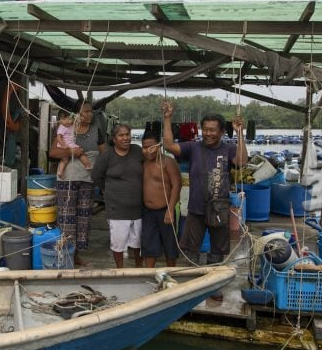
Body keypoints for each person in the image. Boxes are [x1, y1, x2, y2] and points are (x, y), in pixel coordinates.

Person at [161, 100, 247, 265]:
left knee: (217, 253)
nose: (208, 133)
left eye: (212, 130)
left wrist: (240, 134)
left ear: (222, 131)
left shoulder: (228, 149)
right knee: (190, 252)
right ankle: (191, 282)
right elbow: (169, 145)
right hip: (196, 208)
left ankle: (213, 286)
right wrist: (167, 119)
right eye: (205, 129)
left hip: (219, 209)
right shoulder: (193, 147)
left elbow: (242, 162)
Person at [49, 100, 105, 267]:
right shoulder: (66, 129)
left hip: (87, 180)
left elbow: (106, 154)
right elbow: (52, 152)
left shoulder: (96, 130)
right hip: (67, 180)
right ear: (76, 113)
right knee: (67, 219)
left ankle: (76, 256)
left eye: (91, 112)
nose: (90, 114)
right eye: (86, 111)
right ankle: (66, 256)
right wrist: (70, 151)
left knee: (83, 219)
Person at [92, 124, 144, 268]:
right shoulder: (107, 156)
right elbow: (96, 176)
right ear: (114, 139)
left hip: (138, 207)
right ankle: (120, 269)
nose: (125, 138)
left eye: (127, 134)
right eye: (121, 135)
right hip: (116, 209)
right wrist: (107, 189)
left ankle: (138, 269)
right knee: (118, 243)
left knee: (138, 242)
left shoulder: (137, 151)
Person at [140, 133, 182, 268]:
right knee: (148, 244)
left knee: (170, 245)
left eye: (152, 146)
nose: (148, 150)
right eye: (145, 147)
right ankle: (149, 273)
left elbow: (177, 185)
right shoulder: (143, 163)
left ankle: (171, 272)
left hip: (166, 209)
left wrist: (170, 209)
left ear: (159, 146)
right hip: (148, 211)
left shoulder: (168, 162)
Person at [54, 110, 93, 177]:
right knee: (68, 158)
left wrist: (79, 118)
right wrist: (63, 145)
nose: (68, 121)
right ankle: (60, 172)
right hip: (64, 145)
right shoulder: (62, 127)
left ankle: (87, 165)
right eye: (64, 119)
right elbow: (58, 137)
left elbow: (78, 123)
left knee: (76, 154)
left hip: (70, 144)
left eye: (70, 119)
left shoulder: (71, 125)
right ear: (60, 120)